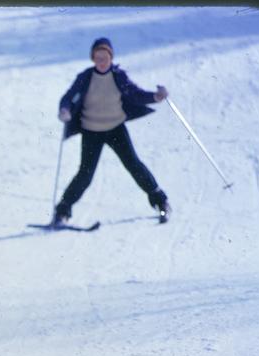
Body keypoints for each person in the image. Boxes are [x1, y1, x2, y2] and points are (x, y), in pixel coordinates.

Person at [53, 37, 171, 226]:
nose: (101, 61)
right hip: (91, 131)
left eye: (105, 57)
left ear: (111, 58)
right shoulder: (85, 77)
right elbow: (68, 97)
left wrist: (156, 97)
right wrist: (64, 109)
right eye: (98, 58)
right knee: (85, 174)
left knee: (133, 164)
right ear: (93, 58)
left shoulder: (118, 76)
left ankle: (161, 201)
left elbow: (136, 94)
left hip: (116, 128)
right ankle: (62, 212)